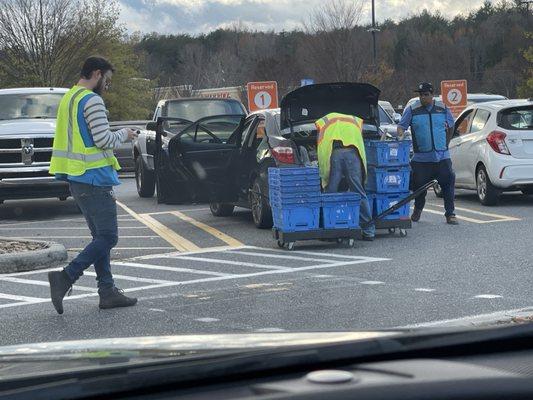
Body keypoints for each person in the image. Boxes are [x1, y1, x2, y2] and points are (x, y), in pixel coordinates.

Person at [47, 56, 139, 314]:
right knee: (109, 237)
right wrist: (125, 134)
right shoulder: (92, 100)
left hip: (76, 177)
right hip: (94, 178)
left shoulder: (69, 98)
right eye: (106, 81)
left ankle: (107, 291)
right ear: (97, 74)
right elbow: (103, 139)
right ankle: (66, 276)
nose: (106, 87)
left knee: (100, 238)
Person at [397, 82, 458, 225]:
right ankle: (418, 209)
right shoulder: (412, 110)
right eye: (420, 95)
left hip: (442, 156)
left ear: (432, 95)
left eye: (426, 95)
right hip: (421, 159)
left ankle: (450, 214)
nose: (422, 98)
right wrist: (400, 136)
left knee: (448, 183)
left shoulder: (442, 109)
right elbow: (401, 127)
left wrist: (446, 144)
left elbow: (451, 125)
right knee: (419, 188)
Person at [316, 112, 375, 241]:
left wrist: (324, 175)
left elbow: (323, 151)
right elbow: (361, 146)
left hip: (335, 154)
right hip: (353, 154)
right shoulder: (355, 121)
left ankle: (330, 228)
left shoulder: (324, 123)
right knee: (358, 191)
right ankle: (368, 230)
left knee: (331, 191)